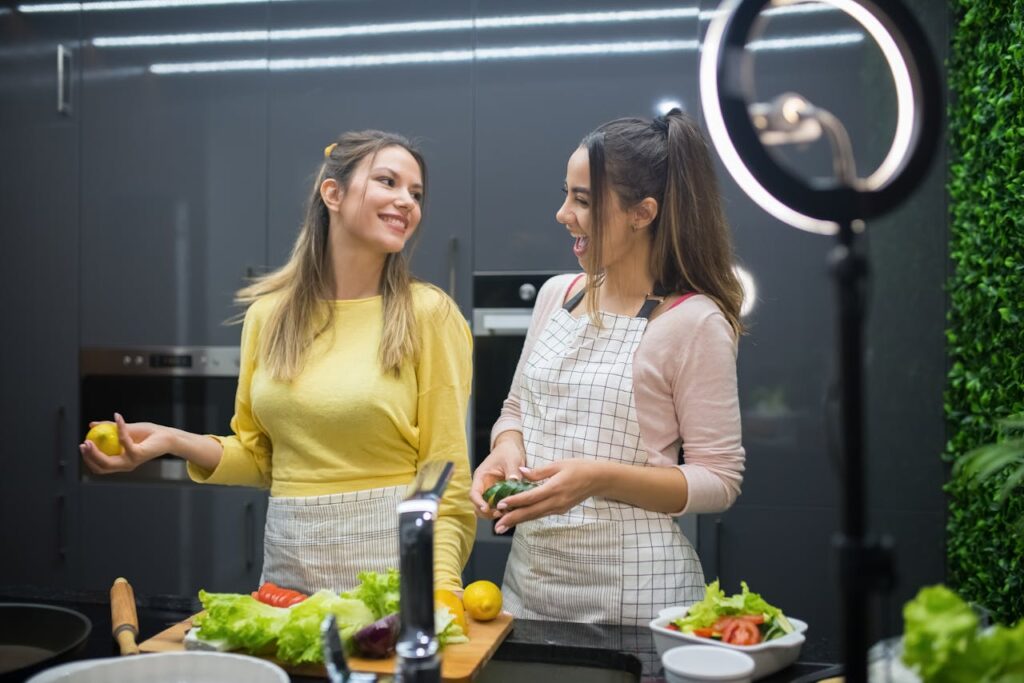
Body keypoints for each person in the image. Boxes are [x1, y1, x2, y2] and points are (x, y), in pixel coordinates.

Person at [81, 130, 476, 594]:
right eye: (387, 181)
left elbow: (445, 476)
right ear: (333, 193)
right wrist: (171, 439)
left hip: (393, 575)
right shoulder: (269, 315)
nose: (406, 201)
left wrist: (442, 591)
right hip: (287, 577)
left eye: (416, 193)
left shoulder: (427, 313)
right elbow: (260, 457)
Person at [470, 109, 746, 625]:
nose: (561, 214)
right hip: (529, 589)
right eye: (566, 194)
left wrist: (596, 478)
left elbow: (719, 479)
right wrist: (503, 452)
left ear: (642, 212)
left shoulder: (693, 321)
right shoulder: (558, 295)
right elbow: (515, 410)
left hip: (637, 598)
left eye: (582, 201)